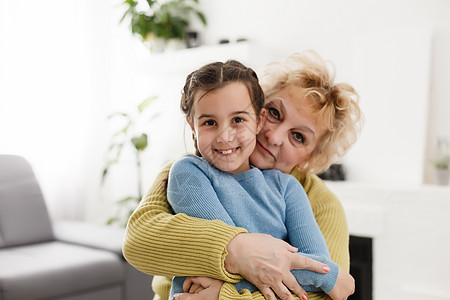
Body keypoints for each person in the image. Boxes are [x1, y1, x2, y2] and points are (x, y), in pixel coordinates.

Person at [123, 50, 363, 300]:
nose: (274, 136)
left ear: (312, 158)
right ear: (257, 113)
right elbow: (138, 241)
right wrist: (236, 250)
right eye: (274, 113)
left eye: (298, 137)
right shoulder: (190, 169)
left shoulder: (310, 197)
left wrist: (224, 296)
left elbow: (324, 292)